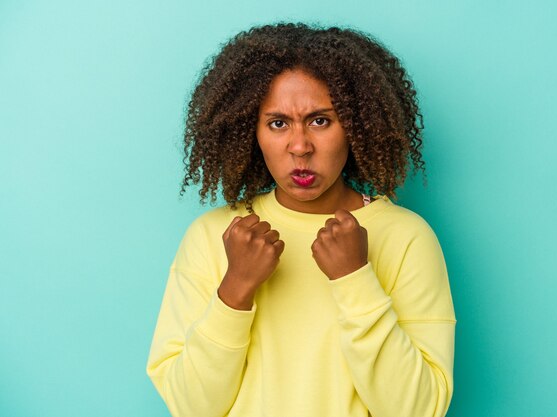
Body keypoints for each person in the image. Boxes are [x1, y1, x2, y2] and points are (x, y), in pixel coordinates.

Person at [146, 22, 456, 417]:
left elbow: (419, 410)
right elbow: (192, 408)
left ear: (356, 127)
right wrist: (236, 289)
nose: (300, 147)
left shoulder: (406, 237)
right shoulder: (213, 236)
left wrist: (355, 279)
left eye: (320, 121)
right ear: (250, 132)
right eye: (278, 123)